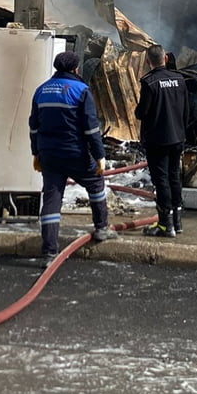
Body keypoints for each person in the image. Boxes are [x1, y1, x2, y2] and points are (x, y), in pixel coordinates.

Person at [30, 51, 117, 265]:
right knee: (96, 183)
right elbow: (91, 128)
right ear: (75, 69)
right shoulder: (81, 90)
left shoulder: (41, 90)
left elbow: (34, 126)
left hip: (49, 155)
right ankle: (102, 228)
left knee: (52, 199)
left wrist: (36, 153)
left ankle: (49, 252)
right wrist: (99, 155)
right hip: (75, 153)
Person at [136, 43, 191, 237]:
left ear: (148, 61)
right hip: (177, 137)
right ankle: (178, 223)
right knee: (174, 176)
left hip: (157, 140)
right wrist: (182, 132)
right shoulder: (179, 79)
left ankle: (165, 225)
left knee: (161, 181)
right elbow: (186, 110)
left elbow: (142, 112)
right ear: (165, 58)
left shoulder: (149, 82)